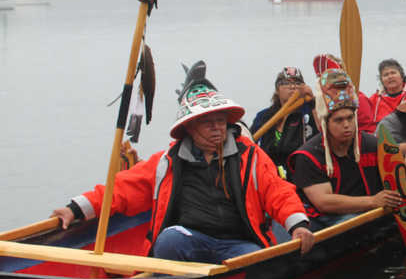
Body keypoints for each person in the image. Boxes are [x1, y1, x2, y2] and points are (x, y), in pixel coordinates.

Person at [52, 68, 314, 263]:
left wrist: (298, 225)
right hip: (189, 238)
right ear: (190, 128)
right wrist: (74, 209)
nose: (217, 128)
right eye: (207, 122)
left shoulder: (251, 156)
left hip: (239, 244)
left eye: (221, 121)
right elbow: (120, 189)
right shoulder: (167, 161)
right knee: (169, 240)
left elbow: (278, 192)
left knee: (255, 260)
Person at [288, 67, 406, 229]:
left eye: (350, 118)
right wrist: (373, 201)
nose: (347, 125)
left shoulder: (368, 143)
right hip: (327, 220)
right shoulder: (308, 156)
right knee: (351, 221)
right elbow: (323, 202)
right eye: (339, 120)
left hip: (367, 212)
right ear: (324, 124)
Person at [250, 67, 316, 173]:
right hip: (269, 174)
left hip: (301, 172)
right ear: (277, 89)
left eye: (298, 83)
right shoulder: (264, 116)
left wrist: (313, 102)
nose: (293, 87)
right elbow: (249, 142)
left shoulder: (311, 110)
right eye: (286, 83)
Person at [314, 54, 375, 134]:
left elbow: (369, 130)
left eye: (332, 77)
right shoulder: (320, 103)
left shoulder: (359, 99)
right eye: (320, 77)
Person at [369, 59, 406, 124]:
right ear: (381, 80)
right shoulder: (374, 100)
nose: (390, 77)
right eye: (386, 75)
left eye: (393, 73)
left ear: (402, 76)